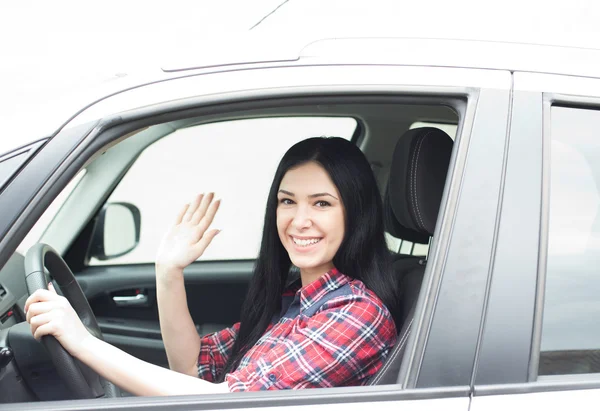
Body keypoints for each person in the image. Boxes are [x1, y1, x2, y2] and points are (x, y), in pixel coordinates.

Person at [24, 137, 400, 395]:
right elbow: (191, 368)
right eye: (288, 202)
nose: (299, 220)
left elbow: (227, 401)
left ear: (356, 213)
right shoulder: (294, 300)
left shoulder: (358, 314)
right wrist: (168, 272)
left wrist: (84, 344)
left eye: (321, 204)